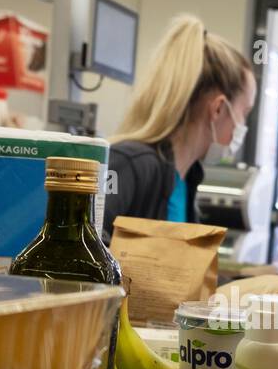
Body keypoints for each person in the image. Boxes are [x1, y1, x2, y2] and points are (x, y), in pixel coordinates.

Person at [101, 14, 256, 240]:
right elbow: (83, 255)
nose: (243, 125)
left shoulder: (185, 180)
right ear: (219, 109)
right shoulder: (130, 164)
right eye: (245, 112)